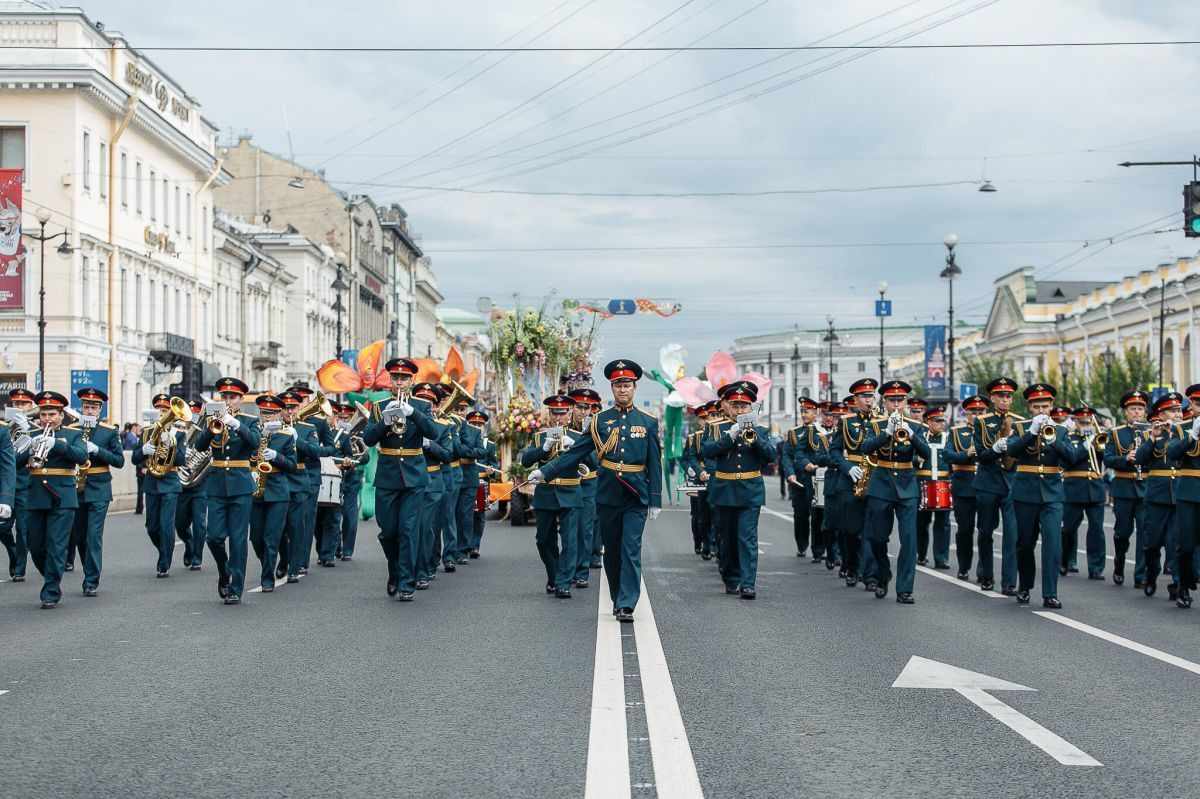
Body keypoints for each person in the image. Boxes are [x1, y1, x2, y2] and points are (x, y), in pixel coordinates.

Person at [530, 360, 662, 623]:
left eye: (627, 385)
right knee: (612, 551)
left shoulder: (647, 421)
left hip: (636, 494)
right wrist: (546, 471)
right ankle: (617, 596)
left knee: (630, 548)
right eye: (618, 385)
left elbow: (654, 462)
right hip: (608, 493)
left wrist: (655, 499)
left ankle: (627, 603)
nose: (622, 390)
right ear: (612, 388)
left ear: (634, 387)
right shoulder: (600, 420)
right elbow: (576, 453)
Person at [362, 358, 439, 601]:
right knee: (388, 531)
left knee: (408, 530)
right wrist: (385, 420)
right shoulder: (379, 406)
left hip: (414, 476)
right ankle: (394, 569)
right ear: (389, 380)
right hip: (387, 476)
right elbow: (368, 439)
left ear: (411, 380)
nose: (399, 382)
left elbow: (433, 433)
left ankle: (407, 582)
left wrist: (413, 413)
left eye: (404, 378)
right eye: (395, 378)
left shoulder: (422, 406)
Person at [701, 381, 775, 599]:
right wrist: (730, 437)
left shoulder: (760, 430)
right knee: (727, 538)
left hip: (750, 490)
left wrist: (755, 438)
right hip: (724, 489)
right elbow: (707, 452)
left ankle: (748, 583)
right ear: (728, 407)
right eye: (735, 406)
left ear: (751, 408)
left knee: (747, 538)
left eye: (744, 406)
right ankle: (731, 577)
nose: (740, 410)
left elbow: (770, 457)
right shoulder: (716, 428)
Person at [1005, 383, 1075, 608]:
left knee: (1053, 544)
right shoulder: (1020, 427)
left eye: (1045, 406)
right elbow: (1012, 452)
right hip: (1025, 491)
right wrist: (1032, 432)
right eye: (1036, 407)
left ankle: (1050, 593)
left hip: (1052, 493)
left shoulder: (1061, 430)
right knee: (1025, 543)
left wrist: (1054, 440)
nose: (1041, 411)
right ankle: (1025, 586)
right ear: (1029, 407)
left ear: (1052, 406)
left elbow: (1071, 458)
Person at [194, 377, 261, 605]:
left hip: (241, 484)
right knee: (213, 537)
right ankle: (224, 571)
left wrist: (236, 424)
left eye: (233, 397)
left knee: (239, 539)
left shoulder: (250, 420)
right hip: (217, 484)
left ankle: (235, 588)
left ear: (241, 399)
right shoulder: (212, 420)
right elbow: (200, 446)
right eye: (225, 397)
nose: (228, 400)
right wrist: (212, 428)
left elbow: (254, 442)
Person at [862, 381, 931, 603]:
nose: (896, 404)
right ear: (885, 402)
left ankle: (905, 589)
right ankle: (883, 574)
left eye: (900, 400)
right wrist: (887, 433)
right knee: (877, 538)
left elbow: (926, 453)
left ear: (906, 402)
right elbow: (864, 448)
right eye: (892, 400)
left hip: (907, 485)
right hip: (881, 483)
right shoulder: (875, 424)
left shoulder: (916, 426)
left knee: (910, 539)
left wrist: (912, 436)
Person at [21, 391, 88, 608]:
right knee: (36, 545)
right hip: (35, 496)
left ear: (61, 414)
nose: (47, 419)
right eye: (43, 414)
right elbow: (12, 461)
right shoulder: (31, 433)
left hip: (63, 497)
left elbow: (82, 456)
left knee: (56, 545)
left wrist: (57, 444)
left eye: (52, 414)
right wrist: (29, 447)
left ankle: (50, 590)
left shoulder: (73, 433)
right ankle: (51, 574)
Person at [520, 394, 583, 598]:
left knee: (570, 540)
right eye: (555, 412)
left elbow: (593, 461)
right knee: (543, 539)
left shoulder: (578, 435)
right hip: (546, 493)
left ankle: (563, 583)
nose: (559, 417)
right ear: (549, 413)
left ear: (569, 413)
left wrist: (574, 444)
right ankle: (554, 576)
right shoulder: (540, 436)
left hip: (570, 492)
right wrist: (543, 448)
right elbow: (526, 461)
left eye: (563, 413)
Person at [67, 387, 125, 596]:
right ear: (81, 408)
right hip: (76, 487)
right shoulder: (72, 429)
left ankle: (91, 579)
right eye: (86, 407)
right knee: (80, 536)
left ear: (100, 409)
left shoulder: (109, 431)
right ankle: (88, 570)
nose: (89, 411)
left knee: (93, 536)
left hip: (99, 487)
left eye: (93, 407)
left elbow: (119, 461)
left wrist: (97, 450)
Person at [972, 377, 1023, 594]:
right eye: (1000, 395)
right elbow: (982, 457)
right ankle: (986, 574)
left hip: (1012, 483)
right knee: (985, 531)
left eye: (1008, 396)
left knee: (1012, 534)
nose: (1004, 399)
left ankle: (1009, 582)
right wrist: (996, 448)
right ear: (992, 398)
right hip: (988, 483)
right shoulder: (982, 422)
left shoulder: (1020, 422)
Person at [829, 378, 881, 590]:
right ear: (856, 399)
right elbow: (833, 451)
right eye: (864, 397)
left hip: (876, 479)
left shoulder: (882, 420)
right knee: (851, 530)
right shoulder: (846, 421)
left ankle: (869, 576)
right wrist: (847, 467)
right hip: (851, 479)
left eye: (871, 396)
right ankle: (851, 567)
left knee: (872, 530)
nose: (869, 400)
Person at [1136, 392, 1186, 600]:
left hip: (1180, 493)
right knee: (1152, 542)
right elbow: (1140, 459)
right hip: (1157, 495)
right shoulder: (1152, 434)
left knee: (1177, 542)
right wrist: (1154, 437)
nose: (1178, 415)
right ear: (1162, 413)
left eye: (1179, 411)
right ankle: (1151, 574)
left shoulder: (1187, 433)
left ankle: (1177, 582)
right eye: (1173, 411)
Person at [131, 394, 187, 578]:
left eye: (165, 411)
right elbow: (135, 458)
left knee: (166, 525)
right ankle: (164, 551)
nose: (162, 414)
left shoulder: (179, 434)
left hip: (170, 482)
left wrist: (168, 444)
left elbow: (180, 460)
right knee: (151, 526)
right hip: (152, 483)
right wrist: (144, 449)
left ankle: (165, 563)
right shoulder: (146, 432)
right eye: (160, 410)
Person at [247, 394, 297, 593]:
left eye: (271, 414)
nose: (266, 418)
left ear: (278, 415)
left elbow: (292, 466)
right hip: (256, 489)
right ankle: (269, 563)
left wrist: (277, 457)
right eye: (263, 414)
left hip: (277, 491)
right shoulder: (253, 434)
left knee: (271, 537)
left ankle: (267, 578)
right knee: (256, 538)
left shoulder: (285, 436)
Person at [1103, 389, 1151, 587]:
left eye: (1140, 408)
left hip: (1145, 486)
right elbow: (1107, 459)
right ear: (1125, 411)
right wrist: (1125, 458)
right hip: (1123, 486)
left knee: (1144, 532)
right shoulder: (1115, 433)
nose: (1137, 412)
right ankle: (1119, 561)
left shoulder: (1151, 432)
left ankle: (1140, 575)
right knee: (1122, 532)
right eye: (1133, 409)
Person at [1061, 406, 1107, 581]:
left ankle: (1096, 567)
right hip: (1073, 488)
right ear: (1075, 421)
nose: (1086, 425)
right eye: (1082, 422)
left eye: (1089, 422)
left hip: (1095, 488)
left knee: (1097, 530)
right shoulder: (1068, 438)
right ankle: (1065, 560)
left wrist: (1099, 441)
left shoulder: (1098, 438)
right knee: (1069, 529)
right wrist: (1086, 445)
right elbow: (1068, 460)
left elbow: (1106, 457)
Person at [944, 395, 987, 581]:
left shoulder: (991, 432)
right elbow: (947, 454)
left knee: (985, 530)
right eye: (973, 412)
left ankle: (984, 570)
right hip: (964, 485)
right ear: (966, 413)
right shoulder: (957, 432)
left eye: (981, 412)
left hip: (986, 484)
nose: (976, 416)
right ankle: (963, 566)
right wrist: (965, 454)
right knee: (965, 529)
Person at [414, 381, 452, 590]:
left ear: (436, 407)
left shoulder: (444, 427)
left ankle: (422, 570)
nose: (425, 405)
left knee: (426, 528)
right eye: (420, 400)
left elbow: (447, 455)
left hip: (432, 482)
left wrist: (429, 444)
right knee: (406, 529)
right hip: (409, 481)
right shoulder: (408, 423)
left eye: (429, 402)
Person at [1166, 384, 1200, 608]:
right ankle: (1183, 585)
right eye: (1197, 404)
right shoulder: (1182, 428)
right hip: (1189, 491)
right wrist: (1192, 436)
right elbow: (1171, 454)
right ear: (1191, 405)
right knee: (1186, 544)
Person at [1, 387, 36, 580]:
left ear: (31, 406)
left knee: (23, 529)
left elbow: (25, 459)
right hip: (5, 485)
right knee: (3, 528)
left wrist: (27, 433)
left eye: (23, 404)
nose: (19, 407)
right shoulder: (4, 427)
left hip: (25, 484)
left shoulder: (35, 428)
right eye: (16, 404)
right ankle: (13, 553)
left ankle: (20, 568)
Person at [567, 388, 601, 586]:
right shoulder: (565, 429)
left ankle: (581, 572)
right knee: (569, 531)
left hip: (589, 484)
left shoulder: (595, 430)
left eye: (587, 407)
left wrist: (578, 444)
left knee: (585, 530)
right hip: (568, 485)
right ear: (573, 408)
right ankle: (568, 569)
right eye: (579, 407)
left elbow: (596, 461)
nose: (583, 411)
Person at [781, 397, 820, 559]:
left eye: (807, 411)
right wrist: (790, 473)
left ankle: (819, 550)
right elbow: (787, 456)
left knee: (819, 515)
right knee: (801, 515)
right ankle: (802, 545)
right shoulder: (794, 432)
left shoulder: (822, 430)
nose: (804, 415)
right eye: (802, 411)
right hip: (800, 480)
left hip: (818, 478)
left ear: (815, 412)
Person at [331, 401, 369, 561]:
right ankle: (336, 545)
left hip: (351, 476)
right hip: (333, 475)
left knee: (349, 513)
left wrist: (353, 461)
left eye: (347, 417)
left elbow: (365, 457)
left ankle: (347, 549)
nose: (344, 420)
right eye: (341, 417)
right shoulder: (332, 433)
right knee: (332, 515)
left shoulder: (358, 435)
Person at [915, 405, 951, 570]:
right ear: (928, 421)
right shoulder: (920, 437)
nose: (941, 424)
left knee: (943, 522)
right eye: (937, 421)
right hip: (922, 482)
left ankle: (941, 558)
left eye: (943, 421)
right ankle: (920, 554)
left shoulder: (949, 438)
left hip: (943, 483)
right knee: (921, 522)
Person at [175, 398, 208, 571]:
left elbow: (209, 455)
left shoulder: (205, 432)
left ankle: (197, 557)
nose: (193, 418)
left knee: (200, 522)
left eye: (196, 414)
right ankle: (188, 543)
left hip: (200, 485)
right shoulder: (179, 432)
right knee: (179, 523)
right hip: (182, 484)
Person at [681, 402, 713, 557]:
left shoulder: (720, 434)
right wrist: (692, 471)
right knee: (698, 516)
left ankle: (711, 545)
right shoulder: (694, 438)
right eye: (703, 418)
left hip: (715, 477)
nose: (706, 420)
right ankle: (699, 541)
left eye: (710, 417)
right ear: (699, 420)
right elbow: (685, 459)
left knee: (715, 514)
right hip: (698, 479)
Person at [466, 409, 499, 558]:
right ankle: (463, 545)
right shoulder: (464, 439)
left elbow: (494, 463)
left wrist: (493, 470)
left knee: (479, 515)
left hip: (482, 481)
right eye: (473, 424)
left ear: (484, 426)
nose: (477, 427)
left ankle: (474, 546)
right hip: (466, 480)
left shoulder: (489, 445)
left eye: (479, 424)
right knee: (464, 514)